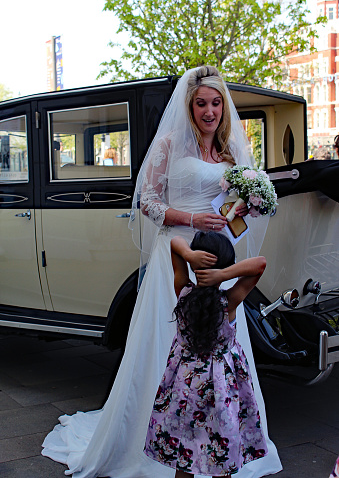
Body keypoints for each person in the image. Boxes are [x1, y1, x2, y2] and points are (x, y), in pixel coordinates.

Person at [42, 66, 282, 477]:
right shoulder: (170, 144)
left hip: (217, 257)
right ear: (190, 107)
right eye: (201, 103)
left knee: (221, 351)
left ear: (224, 107)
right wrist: (191, 217)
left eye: (216, 102)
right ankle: (159, 445)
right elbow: (147, 201)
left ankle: (222, 443)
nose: (209, 111)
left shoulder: (230, 155)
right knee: (170, 350)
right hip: (177, 251)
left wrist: (245, 206)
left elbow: (243, 205)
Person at [144, 231, 268, 477]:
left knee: (183, 450)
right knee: (220, 446)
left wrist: (190, 256)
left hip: (185, 384)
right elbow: (260, 264)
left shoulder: (183, 291)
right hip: (221, 388)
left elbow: (174, 243)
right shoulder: (230, 301)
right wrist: (223, 275)